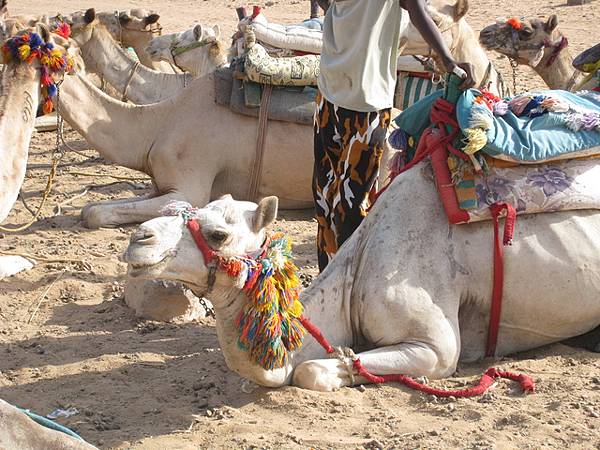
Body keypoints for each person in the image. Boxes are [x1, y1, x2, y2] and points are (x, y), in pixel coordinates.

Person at [313, 0, 475, 272]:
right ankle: (343, 283)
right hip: (366, 103)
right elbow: (416, 10)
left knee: (325, 194)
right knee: (353, 202)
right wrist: (448, 61)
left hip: (329, 91)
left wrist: (341, 16)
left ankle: (326, 279)